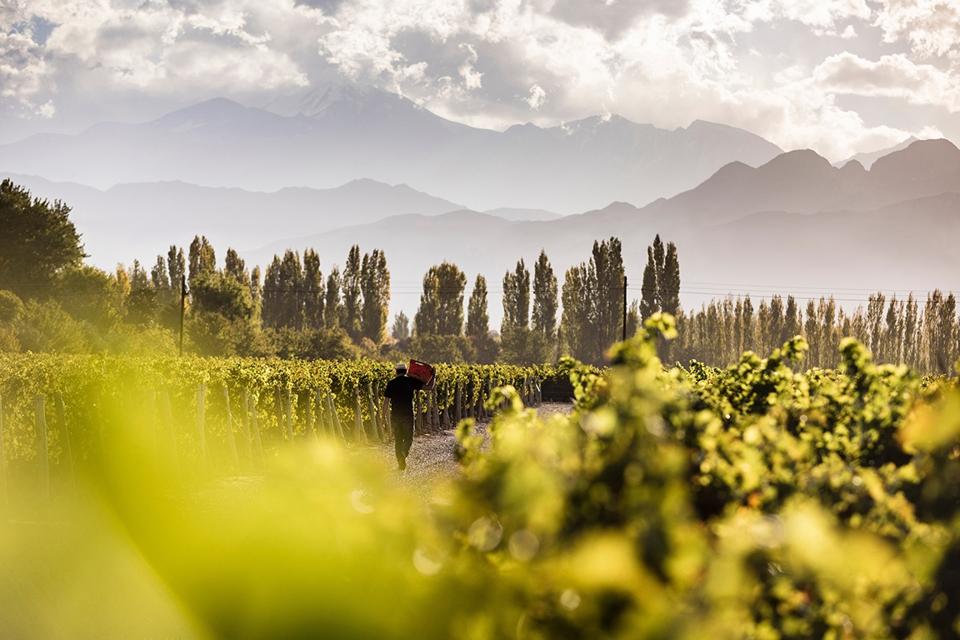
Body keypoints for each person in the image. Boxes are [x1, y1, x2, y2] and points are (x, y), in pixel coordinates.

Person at [383, 363, 424, 471]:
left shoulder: (391, 383)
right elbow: (429, 386)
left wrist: (383, 416)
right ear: (406, 371)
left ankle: (401, 463)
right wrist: (433, 375)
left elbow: (386, 401)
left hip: (395, 416)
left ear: (396, 371)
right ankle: (404, 453)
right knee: (409, 438)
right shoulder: (410, 381)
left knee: (398, 440)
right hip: (408, 415)